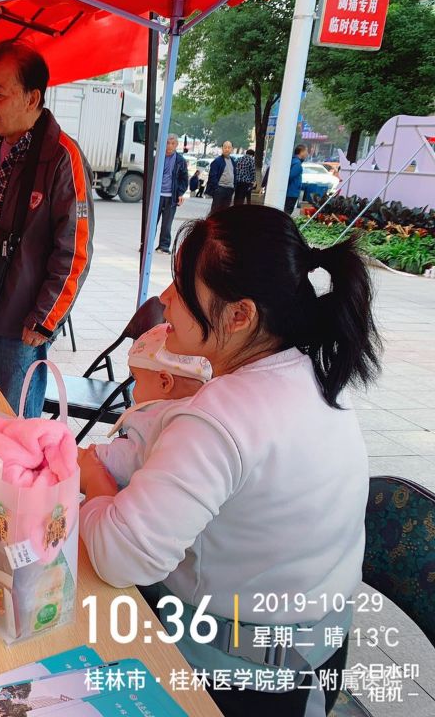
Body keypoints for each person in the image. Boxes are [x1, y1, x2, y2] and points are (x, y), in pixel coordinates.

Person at [80, 204, 381, 716]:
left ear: (240, 316)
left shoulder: (221, 415)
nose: (164, 299)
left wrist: (93, 479)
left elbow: (121, 556)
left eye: (181, 287)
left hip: (238, 680)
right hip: (316, 656)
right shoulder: (314, 375)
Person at [0, 40, 93, 418]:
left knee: (14, 425)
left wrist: (45, 319)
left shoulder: (61, 157)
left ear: (31, 98)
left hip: (22, 324)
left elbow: (73, 250)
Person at [79, 323, 211, 490]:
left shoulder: (157, 417)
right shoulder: (201, 411)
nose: (133, 389)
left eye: (136, 379)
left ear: (165, 382)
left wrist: (92, 456)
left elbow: (125, 462)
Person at [155, 133, 188, 254]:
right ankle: (146, 244)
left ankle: (163, 246)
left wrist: (180, 193)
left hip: (171, 196)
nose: (169, 146)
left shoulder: (180, 160)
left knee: (167, 224)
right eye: (167, 143)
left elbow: (184, 179)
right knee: (152, 223)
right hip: (157, 196)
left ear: (176, 145)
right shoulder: (157, 158)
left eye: (173, 143)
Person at [205, 140, 235, 214]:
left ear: (232, 149)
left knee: (225, 212)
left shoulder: (233, 161)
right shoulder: (217, 161)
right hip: (220, 189)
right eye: (225, 147)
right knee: (215, 211)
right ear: (222, 148)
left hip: (229, 189)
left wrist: (234, 187)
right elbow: (212, 176)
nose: (227, 149)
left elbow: (235, 175)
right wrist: (216, 188)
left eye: (229, 147)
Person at [286, 144, 308, 214]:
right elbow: (290, 177)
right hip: (292, 193)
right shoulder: (297, 164)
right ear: (301, 152)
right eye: (306, 151)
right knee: (287, 213)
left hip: (288, 192)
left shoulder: (292, 161)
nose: (307, 154)